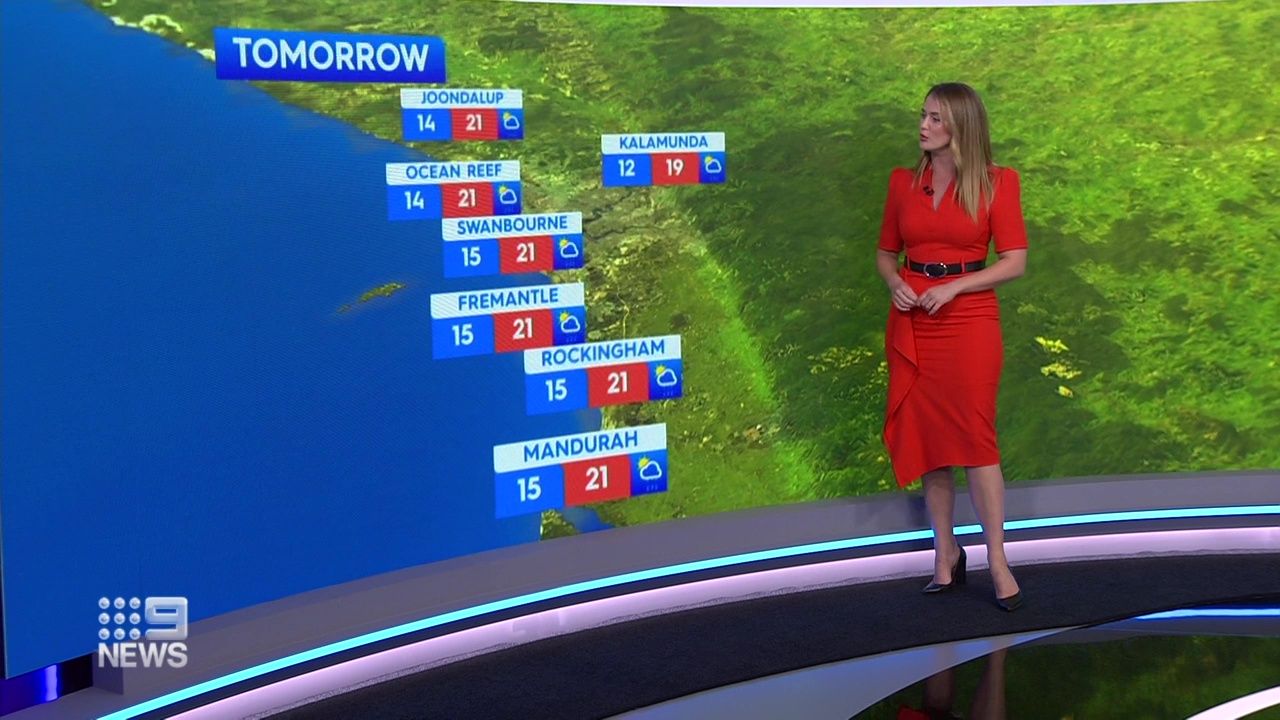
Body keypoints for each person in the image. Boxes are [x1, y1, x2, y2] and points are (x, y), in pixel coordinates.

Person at [876, 82, 1028, 611]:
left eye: (935, 118)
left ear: (961, 125)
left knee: (976, 440)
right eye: (923, 115)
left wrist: (956, 287)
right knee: (930, 441)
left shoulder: (998, 183)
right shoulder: (903, 183)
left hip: (968, 321)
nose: (923, 126)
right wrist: (895, 281)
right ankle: (946, 554)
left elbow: (1014, 261)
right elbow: (885, 253)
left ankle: (997, 560)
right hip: (914, 319)